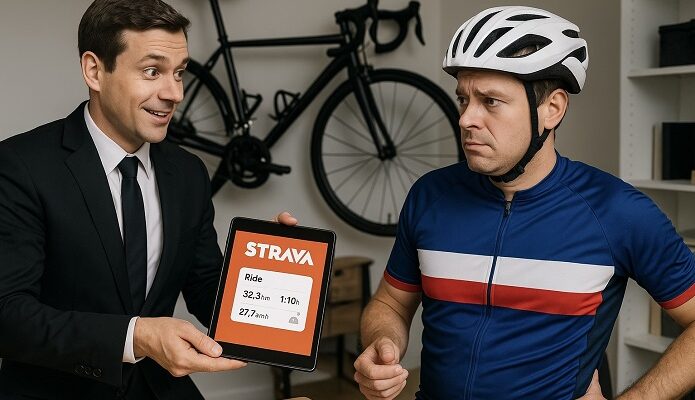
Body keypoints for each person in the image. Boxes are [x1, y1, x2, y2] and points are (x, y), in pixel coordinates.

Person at [353, 5, 695, 400]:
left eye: (490, 101)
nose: (466, 119)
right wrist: (382, 344)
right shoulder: (430, 195)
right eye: (463, 99)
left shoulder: (617, 211)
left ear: (552, 109)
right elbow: (391, 302)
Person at [0, 0, 297, 398]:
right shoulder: (20, 166)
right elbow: (7, 314)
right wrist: (136, 336)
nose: (175, 93)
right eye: (152, 71)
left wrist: (266, 273)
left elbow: (206, 285)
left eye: (179, 73)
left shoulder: (188, 172)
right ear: (94, 71)